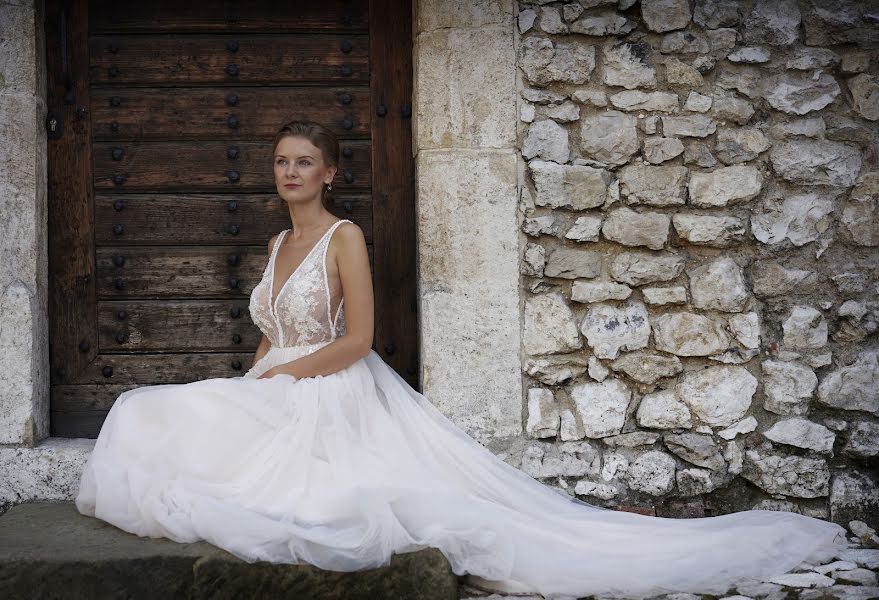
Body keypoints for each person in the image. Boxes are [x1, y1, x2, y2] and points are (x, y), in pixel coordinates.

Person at [75, 119, 850, 600]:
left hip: (331, 386)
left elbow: (356, 340)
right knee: (148, 412)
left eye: (304, 161)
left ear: (330, 172)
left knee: (165, 421)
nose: (290, 172)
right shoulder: (279, 242)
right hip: (276, 382)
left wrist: (282, 378)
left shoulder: (344, 238)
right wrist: (254, 383)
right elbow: (273, 332)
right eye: (282, 160)